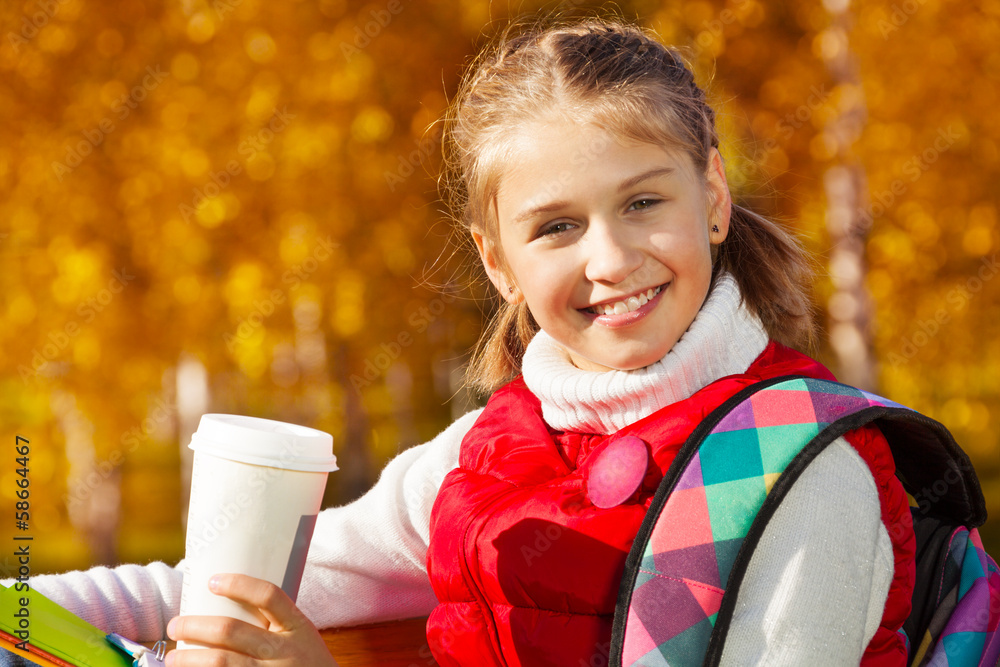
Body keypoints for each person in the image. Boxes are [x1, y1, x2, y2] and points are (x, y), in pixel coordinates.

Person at [4, 17, 916, 667]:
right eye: (555, 227)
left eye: (644, 202)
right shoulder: (482, 460)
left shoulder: (805, 476)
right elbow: (224, 592)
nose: (610, 258)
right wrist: (15, 611)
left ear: (712, 198)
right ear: (498, 262)